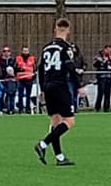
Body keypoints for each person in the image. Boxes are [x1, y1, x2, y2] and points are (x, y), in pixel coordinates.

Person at [33, 19, 78, 166]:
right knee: (70, 121)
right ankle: (43, 144)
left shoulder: (46, 48)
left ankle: (59, 157)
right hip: (60, 86)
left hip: (48, 86)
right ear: (68, 30)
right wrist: (79, 85)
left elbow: (39, 70)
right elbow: (70, 68)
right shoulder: (66, 48)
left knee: (55, 122)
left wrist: (42, 89)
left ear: (55, 30)